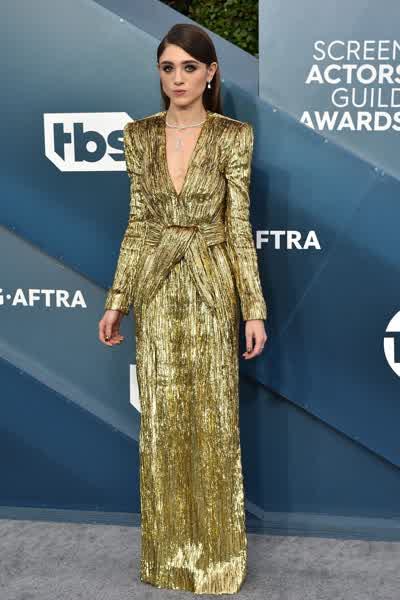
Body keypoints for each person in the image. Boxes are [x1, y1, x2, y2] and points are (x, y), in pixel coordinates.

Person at [98, 22, 268, 595]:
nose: (178, 79)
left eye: (190, 68)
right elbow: (138, 225)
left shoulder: (233, 137)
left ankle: (217, 564)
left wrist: (253, 309)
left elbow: (238, 228)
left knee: (214, 425)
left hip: (213, 289)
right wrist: (118, 300)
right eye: (168, 68)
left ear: (210, 73)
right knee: (163, 425)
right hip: (157, 290)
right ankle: (168, 560)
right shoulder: (138, 135)